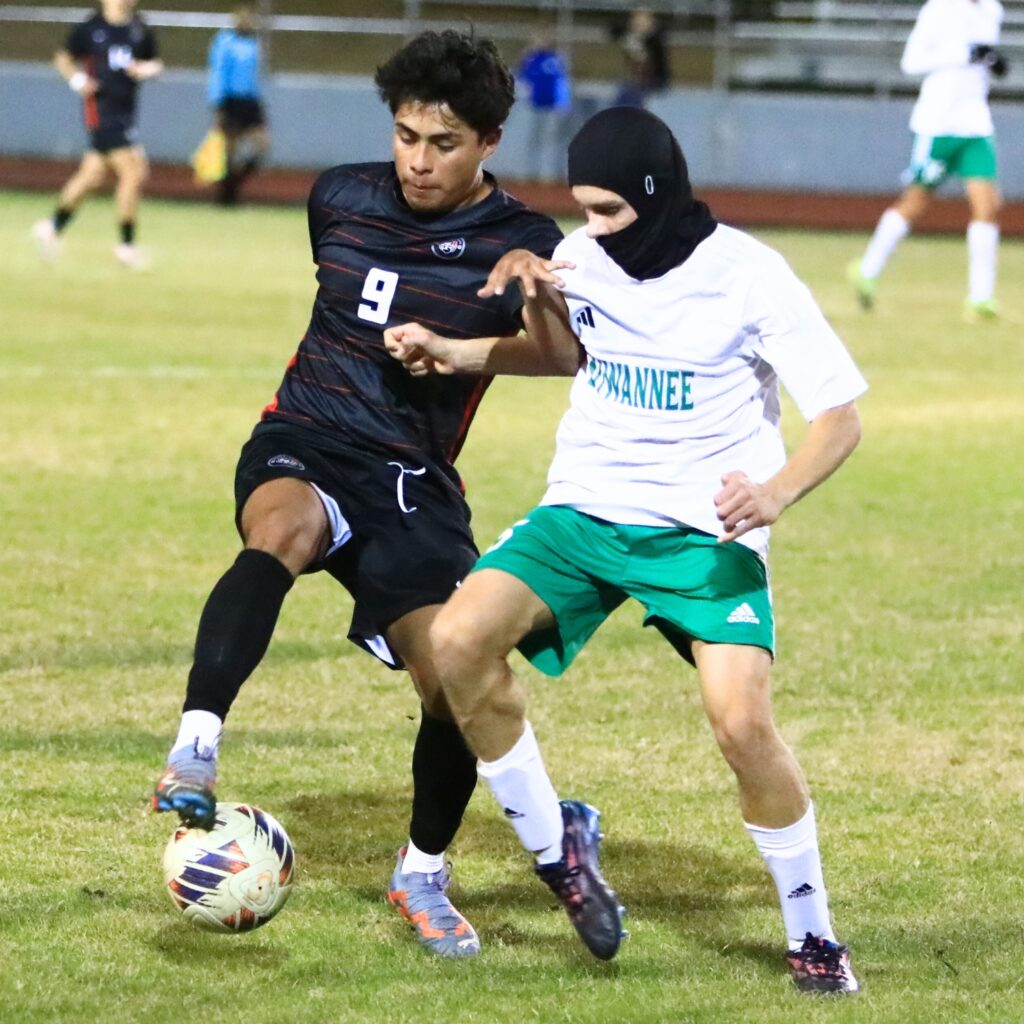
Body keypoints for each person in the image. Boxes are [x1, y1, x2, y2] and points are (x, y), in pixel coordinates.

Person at [386, 107, 865, 990]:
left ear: (657, 194)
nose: (592, 230)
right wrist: (462, 344)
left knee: (741, 722)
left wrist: (775, 492)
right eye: (585, 211)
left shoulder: (750, 277)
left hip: (702, 529)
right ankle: (558, 851)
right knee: (456, 642)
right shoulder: (582, 256)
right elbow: (568, 357)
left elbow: (840, 416)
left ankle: (814, 933)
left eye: (608, 211)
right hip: (584, 509)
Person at [150, 30, 566, 959]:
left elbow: (564, 356)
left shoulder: (523, 242)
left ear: (490, 142)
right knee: (280, 531)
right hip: (304, 435)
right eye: (407, 136)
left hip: (412, 479)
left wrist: (507, 314)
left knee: (455, 674)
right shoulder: (337, 194)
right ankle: (197, 746)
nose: (418, 160)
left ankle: (421, 871)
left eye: (444, 143)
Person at [848, 0, 1007, 320]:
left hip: (975, 123)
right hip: (938, 123)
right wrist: (962, 55)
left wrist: (992, 62)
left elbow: (981, 60)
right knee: (916, 202)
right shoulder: (939, 9)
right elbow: (911, 62)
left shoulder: (993, 9)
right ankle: (867, 270)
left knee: (987, 204)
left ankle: (980, 298)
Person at [32, 0, 163, 268]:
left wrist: (147, 70)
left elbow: (154, 63)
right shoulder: (91, 29)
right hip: (101, 112)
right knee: (133, 172)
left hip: (126, 113)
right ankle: (126, 246)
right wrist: (79, 81)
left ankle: (52, 228)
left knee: (91, 176)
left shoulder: (139, 29)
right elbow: (63, 59)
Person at [206, 4, 269, 206]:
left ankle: (233, 186)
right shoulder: (224, 41)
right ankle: (226, 196)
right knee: (230, 151)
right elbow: (217, 72)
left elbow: (253, 76)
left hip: (250, 102)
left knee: (262, 146)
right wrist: (217, 104)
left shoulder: (254, 43)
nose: (247, 21)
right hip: (230, 101)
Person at [517, 32, 572, 183]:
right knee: (533, 139)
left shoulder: (556, 58)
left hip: (552, 106)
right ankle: (529, 172)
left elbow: (563, 81)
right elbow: (523, 79)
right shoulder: (531, 59)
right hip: (535, 105)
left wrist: (563, 103)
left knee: (550, 140)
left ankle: (548, 174)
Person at [611, 8, 670, 108]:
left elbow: (649, 64)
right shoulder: (631, 39)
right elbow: (614, 30)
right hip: (636, 84)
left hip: (653, 82)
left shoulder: (654, 41)